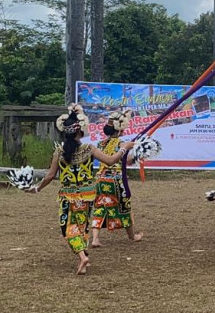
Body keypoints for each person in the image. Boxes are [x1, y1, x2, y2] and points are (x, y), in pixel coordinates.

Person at [28, 104, 134, 275]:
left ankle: (82, 257)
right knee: (82, 225)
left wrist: (37, 189)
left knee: (68, 228)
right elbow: (111, 160)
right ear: (80, 131)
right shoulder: (89, 148)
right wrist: (124, 149)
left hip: (68, 197)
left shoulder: (59, 152)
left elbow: (49, 176)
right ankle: (83, 253)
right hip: (88, 195)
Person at [90, 110, 142, 248]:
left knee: (100, 207)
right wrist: (138, 154)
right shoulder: (121, 144)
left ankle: (95, 238)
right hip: (116, 180)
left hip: (101, 179)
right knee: (124, 206)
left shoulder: (101, 144)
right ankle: (132, 236)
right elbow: (128, 160)